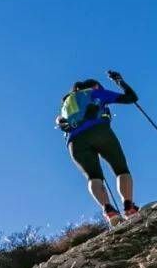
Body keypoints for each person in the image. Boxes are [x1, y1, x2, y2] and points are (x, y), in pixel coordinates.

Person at [56, 71, 141, 227]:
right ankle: (129, 207)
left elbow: (60, 122)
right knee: (120, 168)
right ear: (95, 85)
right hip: (99, 131)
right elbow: (131, 98)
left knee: (93, 176)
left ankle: (108, 210)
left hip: (74, 142)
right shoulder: (95, 92)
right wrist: (119, 81)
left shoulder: (66, 104)